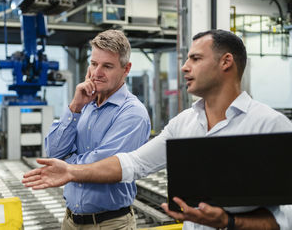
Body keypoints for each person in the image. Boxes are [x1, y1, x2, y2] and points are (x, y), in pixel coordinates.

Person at [23, 29, 292, 230]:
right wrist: (70, 170)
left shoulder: (270, 125)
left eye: (195, 59)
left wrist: (229, 221)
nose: (184, 67)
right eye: (94, 64)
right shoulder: (184, 124)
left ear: (226, 62)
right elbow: (133, 163)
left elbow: (287, 213)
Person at [44, 29, 151, 229]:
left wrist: (68, 163)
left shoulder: (133, 114)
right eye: (94, 64)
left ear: (126, 69)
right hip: (70, 220)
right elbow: (54, 152)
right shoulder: (84, 103)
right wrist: (75, 107)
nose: (96, 73)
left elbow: (104, 166)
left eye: (107, 66)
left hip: (109, 223)